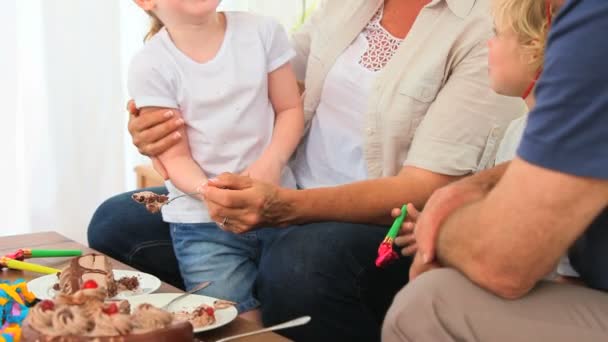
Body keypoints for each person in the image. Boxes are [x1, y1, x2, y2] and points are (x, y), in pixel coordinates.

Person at [89, 0, 523, 340]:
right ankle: (234, 303)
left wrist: (286, 206)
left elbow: (427, 187)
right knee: (117, 222)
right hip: (282, 189)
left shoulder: (488, 26)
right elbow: (258, 83)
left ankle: (253, 298)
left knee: (299, 265)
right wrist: (157, 123)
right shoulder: (348, 4)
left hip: (374, 224)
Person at [382, 0, 608, 340]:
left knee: (427, 304)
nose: (487, 45)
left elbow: (509, 263)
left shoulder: (594, 26)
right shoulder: (519, 131)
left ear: (538, 47)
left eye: (496, 34)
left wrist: (437, 230)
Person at [128, 0, 304, 322]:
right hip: (203, 226)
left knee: (290, 314)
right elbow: (175, 157)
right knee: (235, 324)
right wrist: (212, 193)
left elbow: (290, 109)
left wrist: (271, 163)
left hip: (278, 208)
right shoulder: (150, 65)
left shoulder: (262, 31)